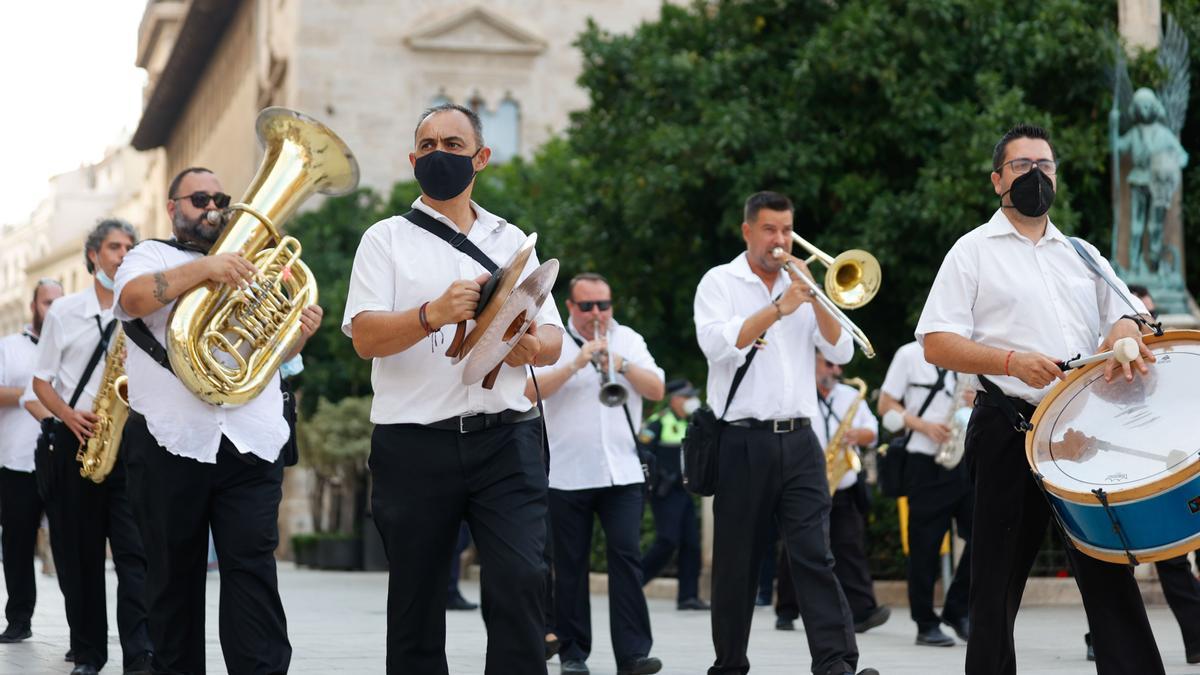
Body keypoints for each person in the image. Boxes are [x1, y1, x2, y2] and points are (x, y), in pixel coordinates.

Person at [917, 123, 1165, 675]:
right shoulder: (971, 252)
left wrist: (1124, 331)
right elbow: (935, 340)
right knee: (996, 584)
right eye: (1023, 165)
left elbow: (1125, 314)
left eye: (1045, 166)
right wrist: (1009, 361)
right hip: (1009, 427)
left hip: (1083, 434)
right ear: (997, 179)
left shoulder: (1081, 253)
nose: (1037, 175)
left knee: (1109, 573)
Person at [344, 102, 564, 675]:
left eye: (453, 145)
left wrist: (527, 345)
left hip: (505, 439)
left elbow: (553, 340)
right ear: (412, 158)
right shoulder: (383, 239)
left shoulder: (512, 237)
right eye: (429, 145)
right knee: (417, 599)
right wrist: (431, 313)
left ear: (481, 158)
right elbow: (365, 336)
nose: (439, 155)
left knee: (521, 583)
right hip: (415, 444)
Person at [114, 167, 319, 674]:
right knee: (172, 578)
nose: (212, 206)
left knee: (252, 571)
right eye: (199, 198)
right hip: (171, 441)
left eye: (220, 198)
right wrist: (207, 270)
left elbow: (264, 353)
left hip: (250, 440)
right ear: (172, 207)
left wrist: (296, 335)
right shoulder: (151, 256)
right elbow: (133, 300)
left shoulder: (253, 264)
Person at [694, 190, 878, 675]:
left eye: (787, 231)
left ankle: (837, 663)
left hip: (800, 440)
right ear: (748, 231)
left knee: (815, 555)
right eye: (771, 230)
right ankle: (729, 664)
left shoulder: (803, 285)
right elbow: (717, 345)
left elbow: (839, 354)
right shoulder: (720, 282)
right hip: (741, 441)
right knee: (737, 564)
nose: (780, 241)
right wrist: (779, 306)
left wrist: (814, 297)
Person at [29, 219, 153, 675]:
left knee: (135, 554)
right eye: (113, 247)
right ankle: (88, 655)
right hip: (76, 439)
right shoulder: (64, 312)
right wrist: (67, 414)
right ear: (93, 256)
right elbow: (40, 383)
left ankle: (140, 654)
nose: (122, 255)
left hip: (131, 442)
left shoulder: (143, 309)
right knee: (81, 558)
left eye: (129, 247)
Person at [526, 272, 666, 675]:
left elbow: (657, 389)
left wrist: (618, 364)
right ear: (570, 307)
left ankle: (634, 654)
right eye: (586, 306)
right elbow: (529, 392)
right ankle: (573, 653)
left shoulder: (628, 339)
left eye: (603, 305)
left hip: (621, 473)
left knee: (627, 560)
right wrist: (575, 364)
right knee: (570, 567)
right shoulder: (551, 340)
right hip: (566, 475)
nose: (596, 313)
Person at [1080, 284, 1200, 664]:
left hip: (1164, 461)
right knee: (1117, 562)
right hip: (1121, 467)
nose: (1142, 323)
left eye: (1146, 315)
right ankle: (1104, 636)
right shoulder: (1103, 355)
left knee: (1173, 559)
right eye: (1136, 316)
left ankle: (1195, 638)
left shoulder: (1157, 353)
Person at [776, 354, 889, 635]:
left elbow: (872, 431)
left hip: (843, 484)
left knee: (850, 546)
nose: (836, 370)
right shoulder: (797, 394)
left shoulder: (850, 395)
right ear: (812, 362)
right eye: (829, 364)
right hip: (808, 484)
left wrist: (858, 435)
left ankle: (863, 610)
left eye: (839, 365)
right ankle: (786, 609)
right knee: (799, 546)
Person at [877, 341, 973, 647]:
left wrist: (973, 400)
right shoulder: (908, 354)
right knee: (925, 547)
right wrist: (922, 426)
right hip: (924, 461)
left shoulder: (966, 352)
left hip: (963, 457)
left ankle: (957, 609)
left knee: (985, 535)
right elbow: (885, 404)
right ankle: (925, 622)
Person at [0, 279, 63, 644]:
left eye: (58, 302)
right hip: (17, 460)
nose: (52, 309)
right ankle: (19, 620)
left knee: (72, 547)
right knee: (18, 545)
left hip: (64, 462)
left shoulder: (72, 346)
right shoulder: (9, 347)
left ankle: (82, 633)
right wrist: (33, 393)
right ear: (33, 307)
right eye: (46, 302)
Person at [639, 378, 709, 611]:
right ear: (676, 399)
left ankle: (688, 597)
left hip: (684, 492)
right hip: (665, 493)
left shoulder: (689, 422)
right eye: (688, 397)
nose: (692, 401)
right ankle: (634, 581)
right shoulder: (658, 423)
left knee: (691, 544)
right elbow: (642, 453)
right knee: (667, 540)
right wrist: (656, 481)